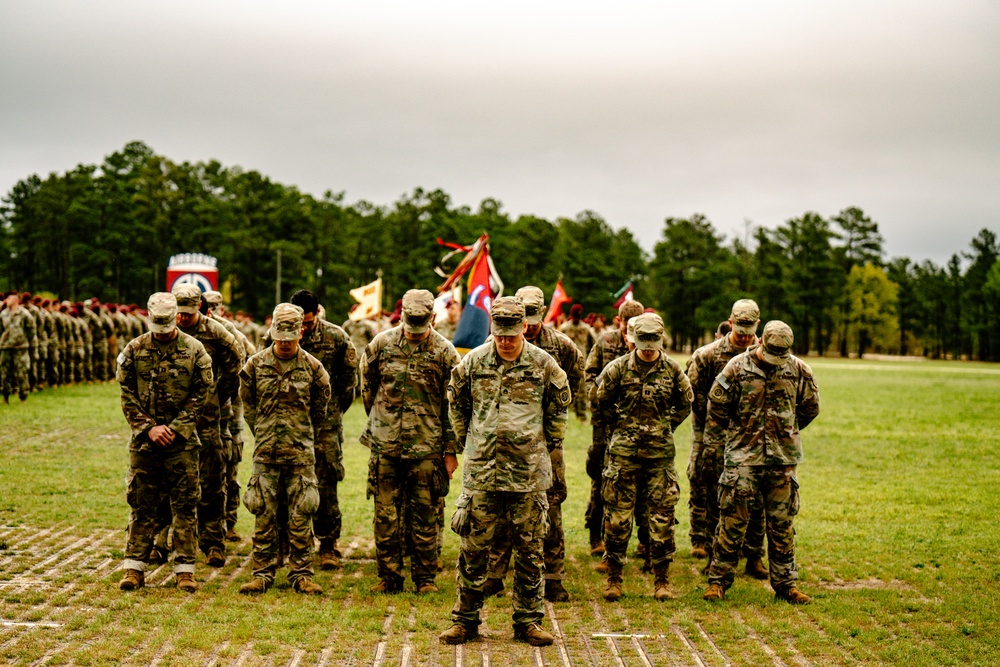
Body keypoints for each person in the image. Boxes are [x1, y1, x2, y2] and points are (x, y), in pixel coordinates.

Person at [440, 297, 571, 647]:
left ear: (524, 328)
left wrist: (543, 443)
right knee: (473, 549)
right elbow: (457, 401)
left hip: (528, 475)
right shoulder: (474, 362)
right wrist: (469, 438)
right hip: (483, 473)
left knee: (530, 551)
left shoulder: (545, 365)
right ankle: (465, 620)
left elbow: (558, 411)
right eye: (500, 335)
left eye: (512, 334)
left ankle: (528, 621)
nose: (506, 341)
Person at [702, 321, 820, 604]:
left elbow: (810, 407)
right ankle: (718, 581)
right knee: (732, 521)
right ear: (761, 343)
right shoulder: (737, 368)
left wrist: (786, 431)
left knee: (782, 525)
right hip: (743, 458)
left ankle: (786, 585)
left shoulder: (799, 369)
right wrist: (720, 446)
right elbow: (717, 409)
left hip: (782, 460)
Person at [483, 286, 582, 603]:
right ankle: (495, 575)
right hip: (504, 442)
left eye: (536, 317)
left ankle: (553, 577)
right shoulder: (494, 344)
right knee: (500, 508)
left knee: (550, 508)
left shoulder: (561, 346)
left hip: (545, 442)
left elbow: (573, 383)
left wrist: (553, 422)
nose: (531, 324)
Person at [360, 289, 460, 594]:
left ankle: (425, 577)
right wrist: (382, 423)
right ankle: (389, 576)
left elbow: (453, 405)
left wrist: (450, 450)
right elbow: (367, 387)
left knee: (425, 515)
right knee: (385, 515)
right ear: (402, 315)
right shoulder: (381, 345)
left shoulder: (445, 353)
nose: (414, 331)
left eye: (421, 323)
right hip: (386, 446)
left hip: (426, 449)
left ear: (432, 317)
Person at [117, 293, 213, 592]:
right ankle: (134, 567)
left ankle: (185, 570)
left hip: (181, 443)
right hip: (145, 443)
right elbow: (126, 393)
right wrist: (148, 428)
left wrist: (176, 426)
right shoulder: (134, 350)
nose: (162, 332)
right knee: (142, 503)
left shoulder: (194, 350)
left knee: (184, 505)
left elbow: (203, 393)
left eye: (167, 326)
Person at [594, 313, 692, 601]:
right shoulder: (617, 369)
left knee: (662, 517)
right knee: (617, 518)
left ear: (660, 341)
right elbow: (601, 401)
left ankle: (662, 580)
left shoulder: (673, 370)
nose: (648, 348)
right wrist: (621, 427)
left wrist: (665, 426)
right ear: (634, 340)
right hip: (624, 455)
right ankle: (614, 579)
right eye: (643, 342)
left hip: (660, 456)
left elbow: (686, 404)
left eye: (653, 342)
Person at [238, 303, 331, 595]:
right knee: (264, 514)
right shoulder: (254, 366)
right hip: (266, 453)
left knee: (301, 514)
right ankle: (262, 572)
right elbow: (248, 406)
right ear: (273, 334)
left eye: (290, 339)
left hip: (301, 454)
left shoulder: (314, 369)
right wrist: (264, 432)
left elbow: (320, 410)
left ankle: (301, 573)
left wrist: (299, 434)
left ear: (300, 333)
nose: (285, 344)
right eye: (280, 339)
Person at [686, 299, 768, 579]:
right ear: (730, 322)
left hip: (752, 439)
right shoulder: (707, 356)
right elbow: (693, 394)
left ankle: (754, 556)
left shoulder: (766, 355)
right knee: (714, 497)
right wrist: (714, 423)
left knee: (756, 498)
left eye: (750, 328)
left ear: (758, 324)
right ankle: (713, 554)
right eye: (740, 327)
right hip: (715, 438)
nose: (745, 334)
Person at [172, 284, 243, 567]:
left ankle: (214, 543)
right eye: (179, 313)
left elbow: (236, 365)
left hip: (209, 421)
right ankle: (167, 541)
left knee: (212, 482)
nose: (183, 319)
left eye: (188, 314)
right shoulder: (166, 328)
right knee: (172, 482)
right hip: (173, 420)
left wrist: (217, 397)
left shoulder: (216, 332)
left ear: (199, 308)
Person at [287, 289, 358, 569]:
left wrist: (333, 411)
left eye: (307, 322)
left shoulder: (336, 337)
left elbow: (349, 380)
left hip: (325, 426)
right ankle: (289, 542)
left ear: (317, 314)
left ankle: (328, 543)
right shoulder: (276, 336)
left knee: (326, 482)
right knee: (287, 483)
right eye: (298, 323)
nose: (302, 328)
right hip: (289, 423)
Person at [583, 300, 645, 561]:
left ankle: (645, 540)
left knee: (641, 481)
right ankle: (595, 535)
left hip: (636, 423)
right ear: (618, 321)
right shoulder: (605, 342)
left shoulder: (647, 341)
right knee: (601, 478)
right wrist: (598, 400)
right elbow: (589, 374)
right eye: (626, 325)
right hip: (605, 424)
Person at [559, 303, 596, 421]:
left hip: (581, 363)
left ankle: (582, 415)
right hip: (567, 363)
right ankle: (563, 414)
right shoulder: (564, 328)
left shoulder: (585, 328)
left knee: (582, 390)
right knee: (563, 387)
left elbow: (593, 345)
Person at [0, 292, 37, 404]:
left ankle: (23, 397)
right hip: (6, 347)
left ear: (16, 299)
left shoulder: (25, 314)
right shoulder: (3, 314)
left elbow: (31, 331)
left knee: (22, 373)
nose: (6, 300)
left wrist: (30, 345)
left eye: (9, 298)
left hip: (20, 347)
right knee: (4, 373)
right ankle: (5, 396)